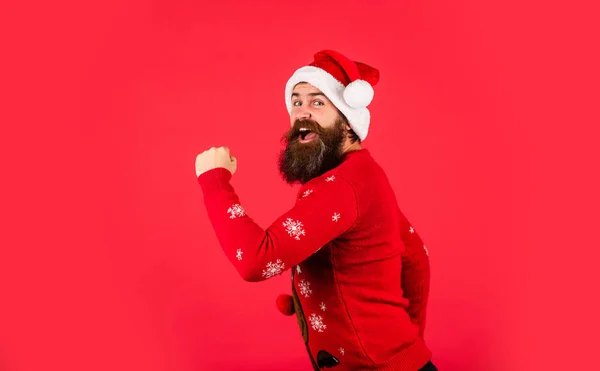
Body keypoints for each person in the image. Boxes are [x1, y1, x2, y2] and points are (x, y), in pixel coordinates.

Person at [195, 50, 437, 371]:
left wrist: (214, 181)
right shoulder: (365, 174)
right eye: (296, 102)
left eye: (318, 102)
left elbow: (256, 261)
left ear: (348, 120)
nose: (302, 113)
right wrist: (409, 349)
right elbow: (416, 256)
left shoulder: (341, 186)